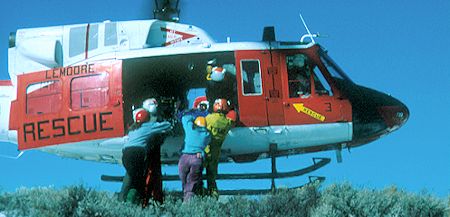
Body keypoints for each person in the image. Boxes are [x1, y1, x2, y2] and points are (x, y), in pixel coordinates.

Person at [121, 100, 171, 204]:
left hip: (125, 155)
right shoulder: (148, 126)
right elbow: (166, 125)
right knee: (139, 181)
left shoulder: (132, 128)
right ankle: (133, 202)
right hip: (137, 153)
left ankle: (122, 198)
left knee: (130, 175)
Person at [204, 98, 235, 199]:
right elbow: (233, 119)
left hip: (204, 151)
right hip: (215, 154)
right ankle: (213, 197)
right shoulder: (227, 122)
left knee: (196, 176)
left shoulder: (209, 118)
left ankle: (198, 196)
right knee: (211, 178)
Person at [178, 114, 210, 202]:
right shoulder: (207, 135)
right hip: (197, 158)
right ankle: (189, 199)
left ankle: (186, 199)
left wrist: (194, 115)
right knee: (192, 181)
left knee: (184, 179)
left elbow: (184, 118)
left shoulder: (190, 129)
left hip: (185, 157)